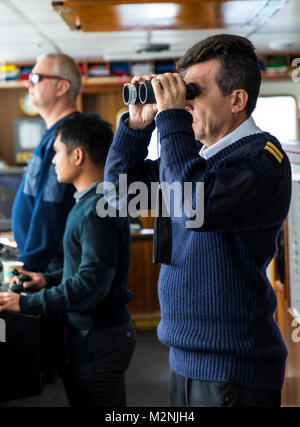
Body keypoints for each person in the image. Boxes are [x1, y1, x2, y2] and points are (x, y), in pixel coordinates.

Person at [103, 34, 292, 407]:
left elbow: (194, 206)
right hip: (184, 359)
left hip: (233, 368)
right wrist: (137, 128)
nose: (185, 103)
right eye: (182, 93)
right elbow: (118, 196)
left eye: (194, 92)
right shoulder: (194, 161)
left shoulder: (262, 159)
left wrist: (172, 117)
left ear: (237, 100)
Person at [0, 112, 136, 407]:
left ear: (78, 155)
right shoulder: (92, 203)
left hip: (99, 338)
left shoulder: (96, 211)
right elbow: (89, 269)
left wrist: (25, 303)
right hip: (92, 335)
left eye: (58, 151)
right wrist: (46, 280)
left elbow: (89, 285)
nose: (52, 160)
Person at [12, 52, 81, 273]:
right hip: (45, 263)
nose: (28, 84)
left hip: (51, 267)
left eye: (35, 78)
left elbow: (52, 203)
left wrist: (31, 265)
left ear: (61, 87)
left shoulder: (67, 134)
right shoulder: (54, 132)